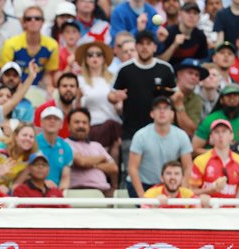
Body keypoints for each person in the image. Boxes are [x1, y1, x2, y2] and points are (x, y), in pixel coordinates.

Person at [109, 30, 175, 175]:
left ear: (155, 47)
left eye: (148, 44)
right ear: (136, 47)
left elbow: (175, 96)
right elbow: (112, 95)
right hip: (131, 133)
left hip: (161, 133)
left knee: (160, 174)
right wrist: (115, 97)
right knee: (130, 175)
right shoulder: (125, 69)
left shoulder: (165, 69)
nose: (144, 47)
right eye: (141, 44)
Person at [126, 96, 193, 199]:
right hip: (144, 183)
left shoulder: (181, 136)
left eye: (166, 108)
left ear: (172, 114)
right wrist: (142, 196)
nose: (162, 112)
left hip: (169, 183)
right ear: (152, 114)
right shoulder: (140, 136)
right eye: (158, 108)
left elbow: (188, 166)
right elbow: (132, 168)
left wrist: (182, 190)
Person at [75, 41, 121, 164]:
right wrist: (78, 97)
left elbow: (120, 109)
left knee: (114, 129)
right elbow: (77, 110)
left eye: (98, 54)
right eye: (90, 55)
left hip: (113, 124)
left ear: (103, 58)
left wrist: (118, 101)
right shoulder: (80, 81)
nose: (94, 57)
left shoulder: (114, 79)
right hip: (92, 126)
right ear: (85, 59)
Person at [0, 5, 59, 90]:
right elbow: (5, 74)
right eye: (28, 19)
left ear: (43, 22)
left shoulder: (52, 46)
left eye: (37, 18)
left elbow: (47, 73)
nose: (33, 21)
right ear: (24, 23)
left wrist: (49, 86)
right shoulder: (10, 44)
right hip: (14, 88)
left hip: (38, 88)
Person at [190, 119, 239, 201]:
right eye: (216, 132)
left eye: (224, 131)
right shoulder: (200, 161)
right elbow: (191, 192)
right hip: (207, 210)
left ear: (231, 135)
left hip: (230, 210)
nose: (220, 135)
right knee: (204, 199)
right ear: (211, 136)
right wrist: (210, 190)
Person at [65, 108, 118, 196]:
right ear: (68, 126)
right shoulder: (65, 144)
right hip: (79, 191)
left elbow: (113, 168)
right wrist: (102, 158)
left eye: (84, 123)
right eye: (77, 122)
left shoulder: (97, 145)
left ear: (89, 126)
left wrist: (114, 187)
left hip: (103, 192)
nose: (81, 126)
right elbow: (82, 162)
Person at [192, 83, 239, 156]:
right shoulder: (210, 120)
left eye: (235, 95)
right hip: (212, 162)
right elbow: (195, 149)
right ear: (221, 100)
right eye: (228, 96)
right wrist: (218, 153)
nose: (232, 98)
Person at [158, 2, 208, 66]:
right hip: (170, 72)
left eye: (195, 13)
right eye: (188, 12)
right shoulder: (169, 33)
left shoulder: (200, 36)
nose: (191, 16)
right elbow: (159, 62)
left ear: (199, 17)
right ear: (180, 14)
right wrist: (174, 45)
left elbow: (203, 61)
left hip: (191, 72)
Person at [0, 122, 38, 192]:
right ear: (16, 136)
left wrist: (8, 191)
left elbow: (16, 184)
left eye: (31, 137)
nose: (28, 138)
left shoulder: (30, 158)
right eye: (24, 135)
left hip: (5, 193)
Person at [36, 106, 73, 189]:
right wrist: (41, 183)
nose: (52, 121)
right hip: (33, 190)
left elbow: (65, 178)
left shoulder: (65, 147)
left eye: (56, 119)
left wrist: (58, 194)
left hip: (55, 193)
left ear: (61, 124)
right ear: (41, 123)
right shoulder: (33, 143)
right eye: (48, 118)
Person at [34, 72, 79, 139]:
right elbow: (37, 138)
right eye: (64, 86)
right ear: (58, 89)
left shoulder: (79, 112)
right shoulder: (43, 110)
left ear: (77, 90)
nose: (68, 89)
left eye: (72, 86)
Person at [171, 58, 207, 138]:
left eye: (197, 75)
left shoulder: (197, 100)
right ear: (179, 74)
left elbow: (191, 131)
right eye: (190, 73)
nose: (194, 77)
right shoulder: (166, 91)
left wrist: (179, 105)